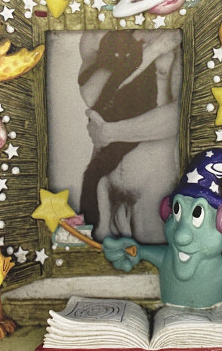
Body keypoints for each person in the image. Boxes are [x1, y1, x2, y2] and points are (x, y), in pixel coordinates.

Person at [78, 30, 182, 244]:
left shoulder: (175, 37)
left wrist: (112, 132)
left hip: (152, 187)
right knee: (94, 256)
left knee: (152, 255)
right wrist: (150, 52)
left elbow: (181, 115)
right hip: (103, 184)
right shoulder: (98, 35)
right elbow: (92, 96)